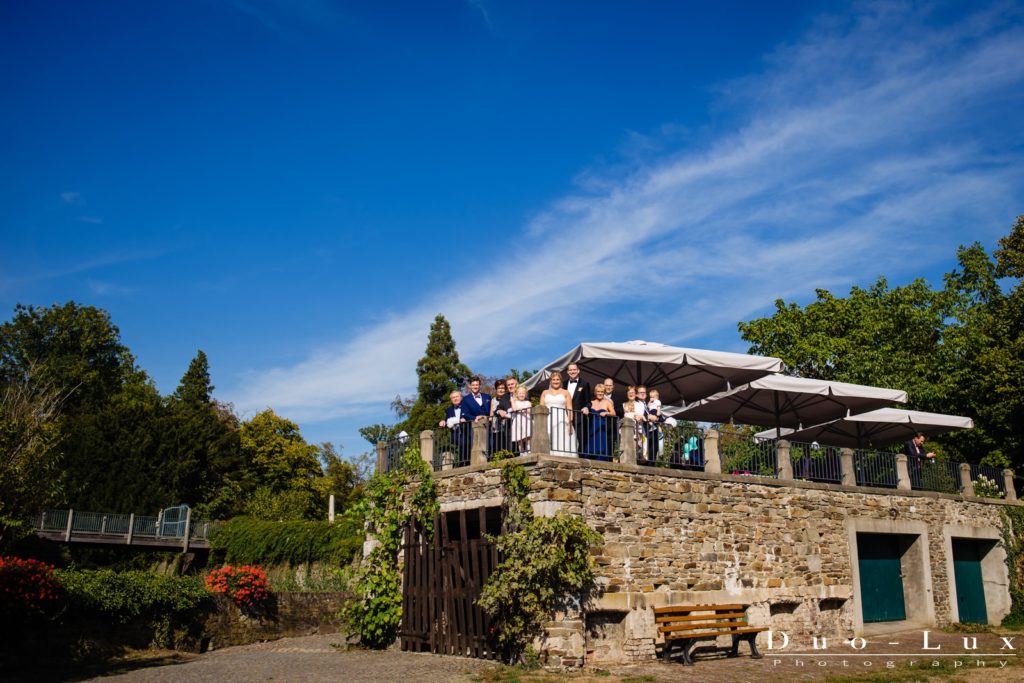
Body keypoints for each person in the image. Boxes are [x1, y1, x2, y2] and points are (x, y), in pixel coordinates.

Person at [540, 371, 575, 455]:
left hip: (562, 419)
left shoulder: (566, 392)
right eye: (554, 379)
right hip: (548, 419)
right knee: (548, 438)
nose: (556, 381)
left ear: (560, 381)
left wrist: (570, 423)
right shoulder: (544, 392)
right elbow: (541, 409)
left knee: (562, 439)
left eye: (557, 379)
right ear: (550, 381)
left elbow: (569, 409)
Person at [565, 363, 591, 457]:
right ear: (568, 372)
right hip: (565, 416)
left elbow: (588, 401)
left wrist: (586, 407)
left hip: (579, 418)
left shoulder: (585, 383)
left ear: (578, 370)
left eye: (574, 370)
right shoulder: (563, 384)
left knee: (580, 439)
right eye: (570, 370)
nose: (572, 371)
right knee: (566, 438)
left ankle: (580, 459)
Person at [439, 390, 471, 465]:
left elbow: (471, 416)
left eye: (457, 397)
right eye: (453, 397)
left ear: (461, 397)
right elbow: (447, 421)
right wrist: (443, 421)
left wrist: (465, 419)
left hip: (467, 433)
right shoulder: (449, 410)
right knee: (460, 447)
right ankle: (461, 464)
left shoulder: (467, 406)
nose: (455, 399)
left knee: (466, 446)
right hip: (456, 435)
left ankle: (465, 464)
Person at [586, 383, 616, 461]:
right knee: (591, 446)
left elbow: (614, 413)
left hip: (602, 428)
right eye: (598, 391)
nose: (600, 393)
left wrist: (606, 413)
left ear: (604, 392)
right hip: (592, 427)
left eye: (602, 392)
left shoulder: (607, 402)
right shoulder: (591, 402)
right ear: (595, 392)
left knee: (601, 447)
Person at [622, 386, 647, 458]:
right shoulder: (623, 404)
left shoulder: (640, 404)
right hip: (626, 430)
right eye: (629, 392)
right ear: (627, 394)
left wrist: (639, 416)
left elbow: (640, 416)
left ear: (636, 394)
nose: (631, 394)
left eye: (633, 392)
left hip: (638, 430)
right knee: (627, 451)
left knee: (637, 452)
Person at [489, 379, 510, 454]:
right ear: (496, 389)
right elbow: (491, 412)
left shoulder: (508, 398)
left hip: (506, 426)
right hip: (496, 427)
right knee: (497, 447)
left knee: (506, 445)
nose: (501, 390)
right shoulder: (493, 400)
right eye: (499, 388)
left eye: (502, 388)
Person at [510, 385, 532, 455]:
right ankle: (521, 452)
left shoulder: (528, 402)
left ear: (525, 394)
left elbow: (529, 411)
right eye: (520, 393)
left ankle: (529, 450)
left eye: (523, 393)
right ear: (517, 394)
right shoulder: (516, 402)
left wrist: (524, 411)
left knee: (528, 436)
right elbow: (514, 409)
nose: (521, 394)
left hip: (526, 420)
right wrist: (512, 401)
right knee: (519, 438)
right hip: (518, 421)